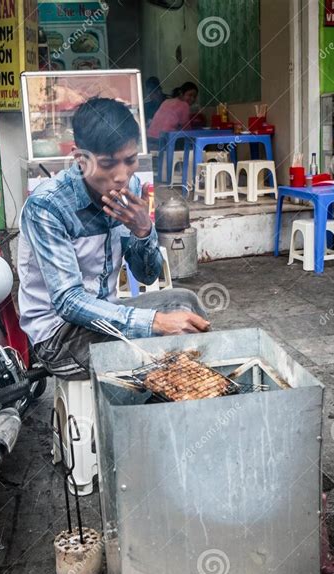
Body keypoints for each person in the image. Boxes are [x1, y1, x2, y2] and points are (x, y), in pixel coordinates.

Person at [17, 97, 210, 380]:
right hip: (59, 338)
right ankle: (163, 404)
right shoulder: (48, 206)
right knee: (164, 345)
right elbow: (69, 302)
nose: (121, 175)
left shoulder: (130, 187)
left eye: (130, 160)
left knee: (186, 303)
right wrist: (155, 323)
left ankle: (194, 397)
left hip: (107, 316)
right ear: (80, 159)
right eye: (108, 163)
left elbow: (147, 275)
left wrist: (143, 230)